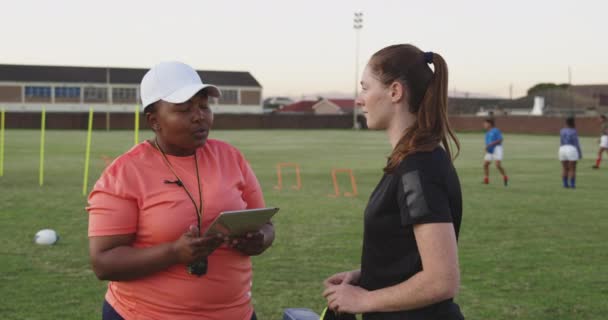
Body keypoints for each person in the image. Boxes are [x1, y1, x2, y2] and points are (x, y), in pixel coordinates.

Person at [87, 61, 274, 320]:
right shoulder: (124, 173)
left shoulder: (230, 157)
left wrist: (259, 239)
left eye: (204, 106)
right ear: (154, 121)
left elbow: (266, 224)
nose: (199, 116)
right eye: (184, 109)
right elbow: (103, 263)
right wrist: (174, 252)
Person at [323, 44, 464, 320]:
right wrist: (368, 275)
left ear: (395, 92)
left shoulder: (418, 167)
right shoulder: (409, 161)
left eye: (365, 88)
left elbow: (442, 280)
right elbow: (412, 259)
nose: (359, 99)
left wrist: (364, 299)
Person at [483, 118, 508, 186]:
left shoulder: (496, 130)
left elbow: (500, 140)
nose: (484, 125)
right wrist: (486, 147)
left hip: (497, 149)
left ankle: (505, 177)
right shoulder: (487, 133)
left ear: (489, 124)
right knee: (485, 164)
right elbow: (487, 143)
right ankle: (486, 179)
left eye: (485, 123)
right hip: (490, 150)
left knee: (497, 165)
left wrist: (491, 144)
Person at [559, 117, 582, 188]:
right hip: (571, 148)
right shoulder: (573, 131)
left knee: (564, 168)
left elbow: (561, 141)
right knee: (572, 168)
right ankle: (572, 185)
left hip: (562, 148)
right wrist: (579, 153)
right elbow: (576, 143)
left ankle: (565, 184)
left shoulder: (562, 130)